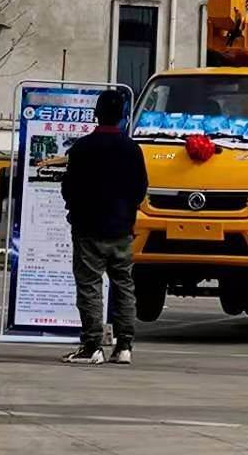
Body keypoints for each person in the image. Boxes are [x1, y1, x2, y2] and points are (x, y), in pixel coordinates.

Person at [60, 88, 148, 365]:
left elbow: (69, 188)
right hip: (121, 229)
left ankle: (91, 346)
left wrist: (77, 209)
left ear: (96, 115)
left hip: (87, 228)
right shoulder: (132, 150)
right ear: (123, 116)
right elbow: (140, 189)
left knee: (89, 286)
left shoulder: (81, 149)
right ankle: (124, 347)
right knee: (124, 286)